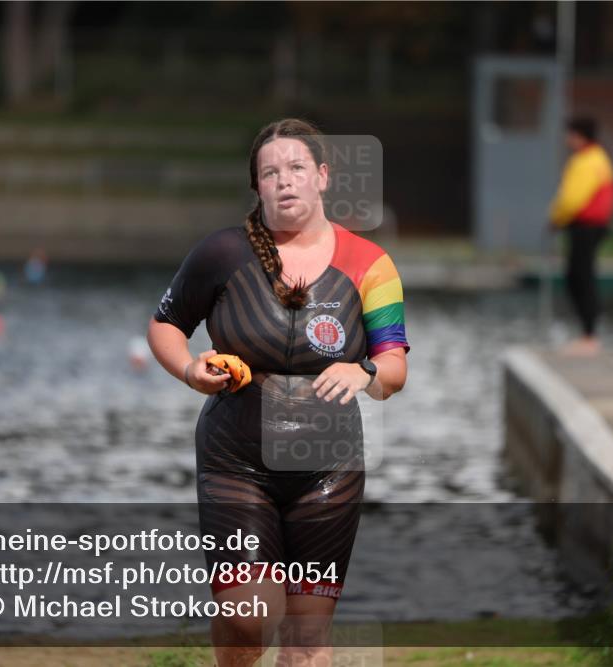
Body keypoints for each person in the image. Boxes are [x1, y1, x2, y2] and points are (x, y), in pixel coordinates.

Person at [147, 118, 409, 667]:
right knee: (250, 617)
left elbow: (393, 369)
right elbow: (165, 324)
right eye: (270, 173)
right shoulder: (221, 252)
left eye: (296, 168)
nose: (284, 180)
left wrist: (363, 372)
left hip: (329, 468)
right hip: (235, 459)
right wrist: (190, 369)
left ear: (322, 176)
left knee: (308, 637)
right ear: (257, 187)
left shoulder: (371, 265)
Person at [548, 116, 613, 356]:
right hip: (592, 226)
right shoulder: (599, 158)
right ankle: (589, 333)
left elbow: (572, 199)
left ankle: (590, 336)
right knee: (581, 276)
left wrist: (556, 218)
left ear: (580, 136)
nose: (567, 139)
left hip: (585, 226)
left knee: (580, 277)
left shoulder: (586, 161)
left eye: (570, 134)